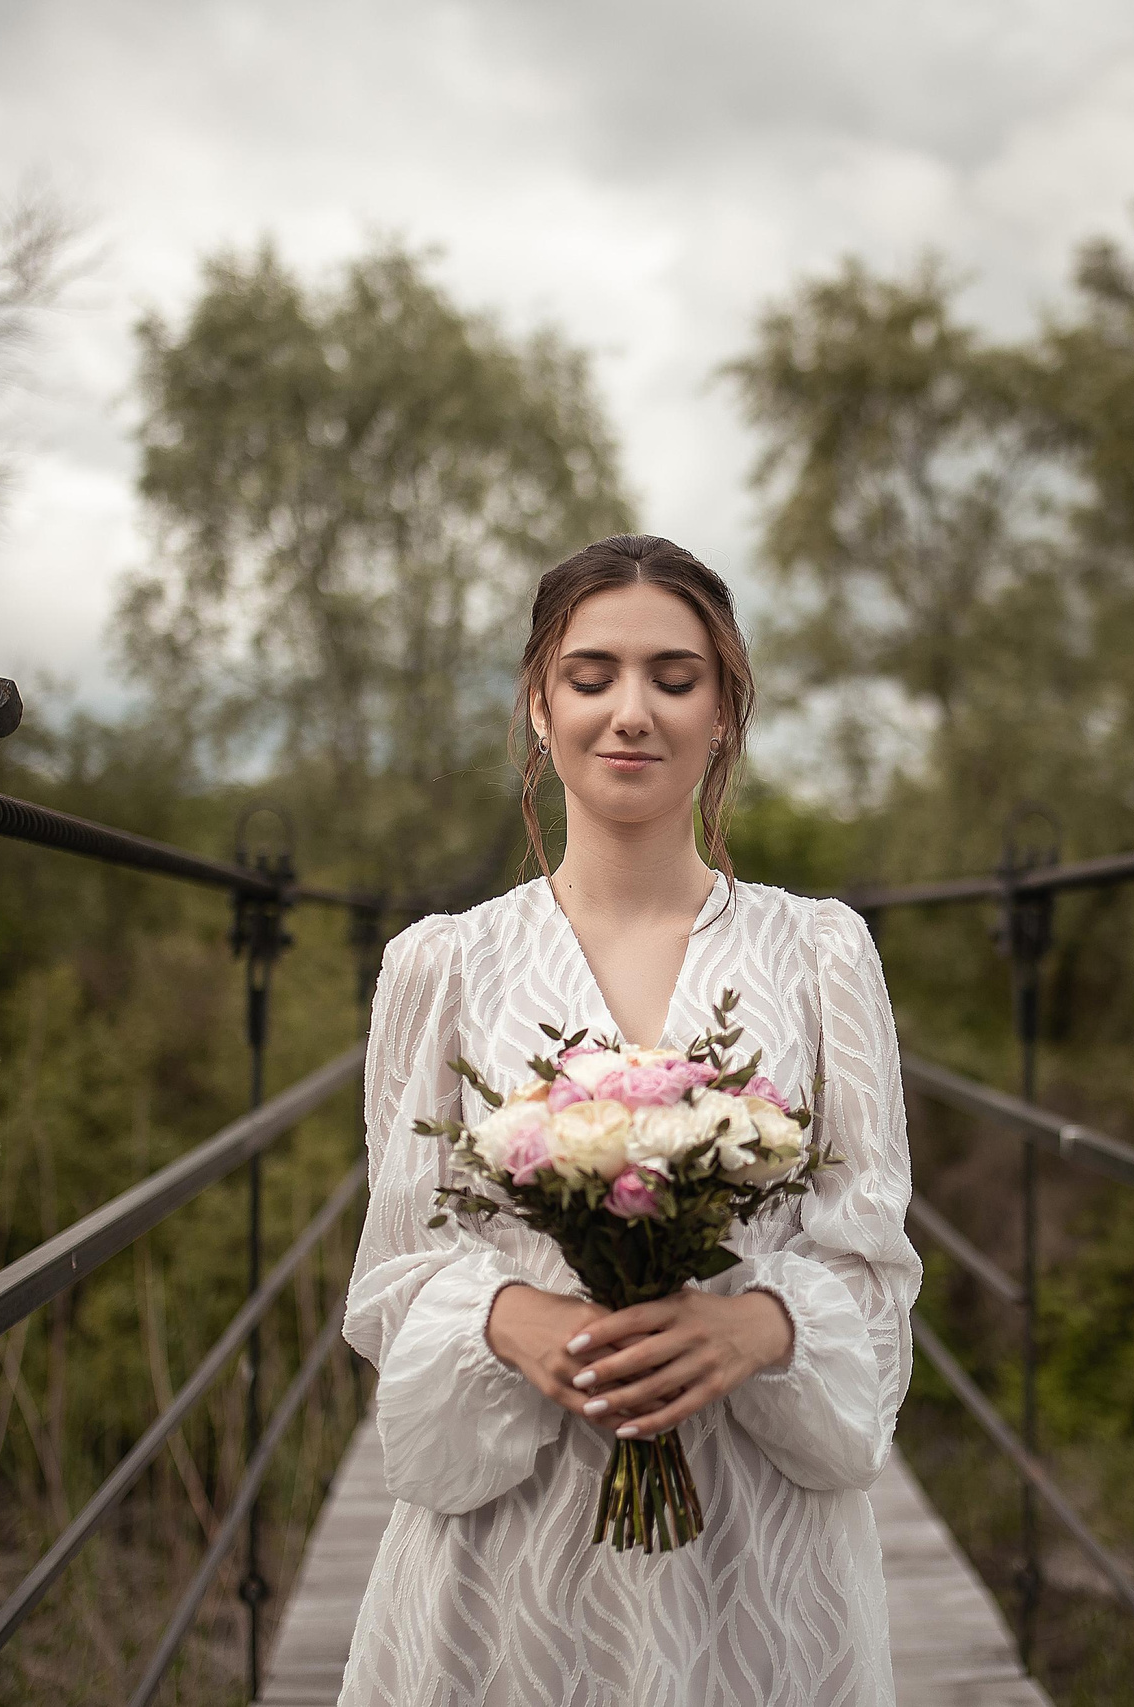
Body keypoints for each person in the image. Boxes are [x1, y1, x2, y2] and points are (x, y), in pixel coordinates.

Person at [337, 534, 923, 1705]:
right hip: (511, 1556)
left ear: (723, 711)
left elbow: (875, 1268)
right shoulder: (441, 967)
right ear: (538, 708)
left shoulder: (819, 955)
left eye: (675, 675)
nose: (631, 713)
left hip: (756, 1548)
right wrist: (507, 1317)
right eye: (590, 675)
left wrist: (762, 1327)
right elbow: (394, 1276)